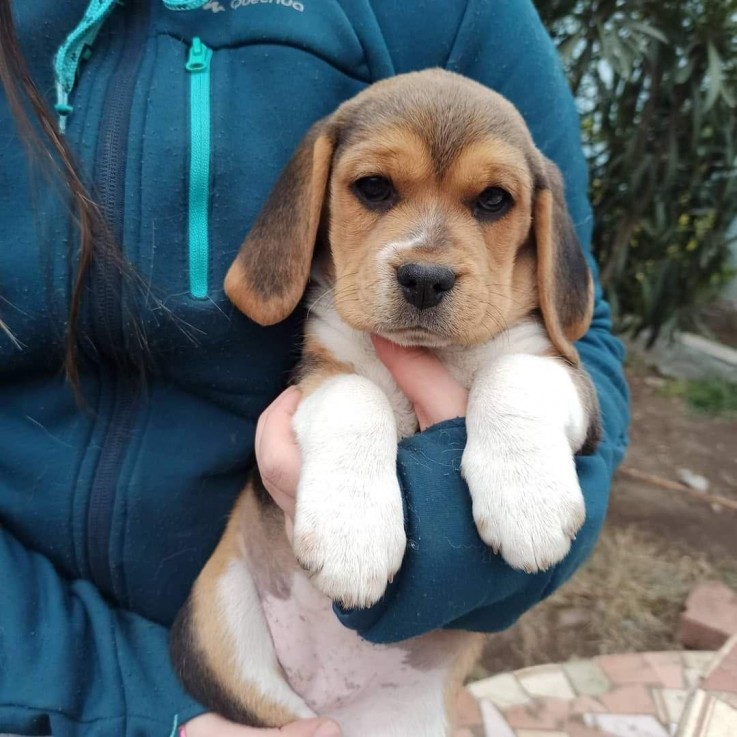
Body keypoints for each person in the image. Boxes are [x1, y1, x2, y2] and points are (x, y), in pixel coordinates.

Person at [0, 1, 630, 736]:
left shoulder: (458, 16)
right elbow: (331, 388)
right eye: (374, 188)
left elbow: (576, 359)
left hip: (396, 675)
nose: (427, 258)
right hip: (104, 660)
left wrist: (455, 522)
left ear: (531, 218)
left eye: (490, 200)